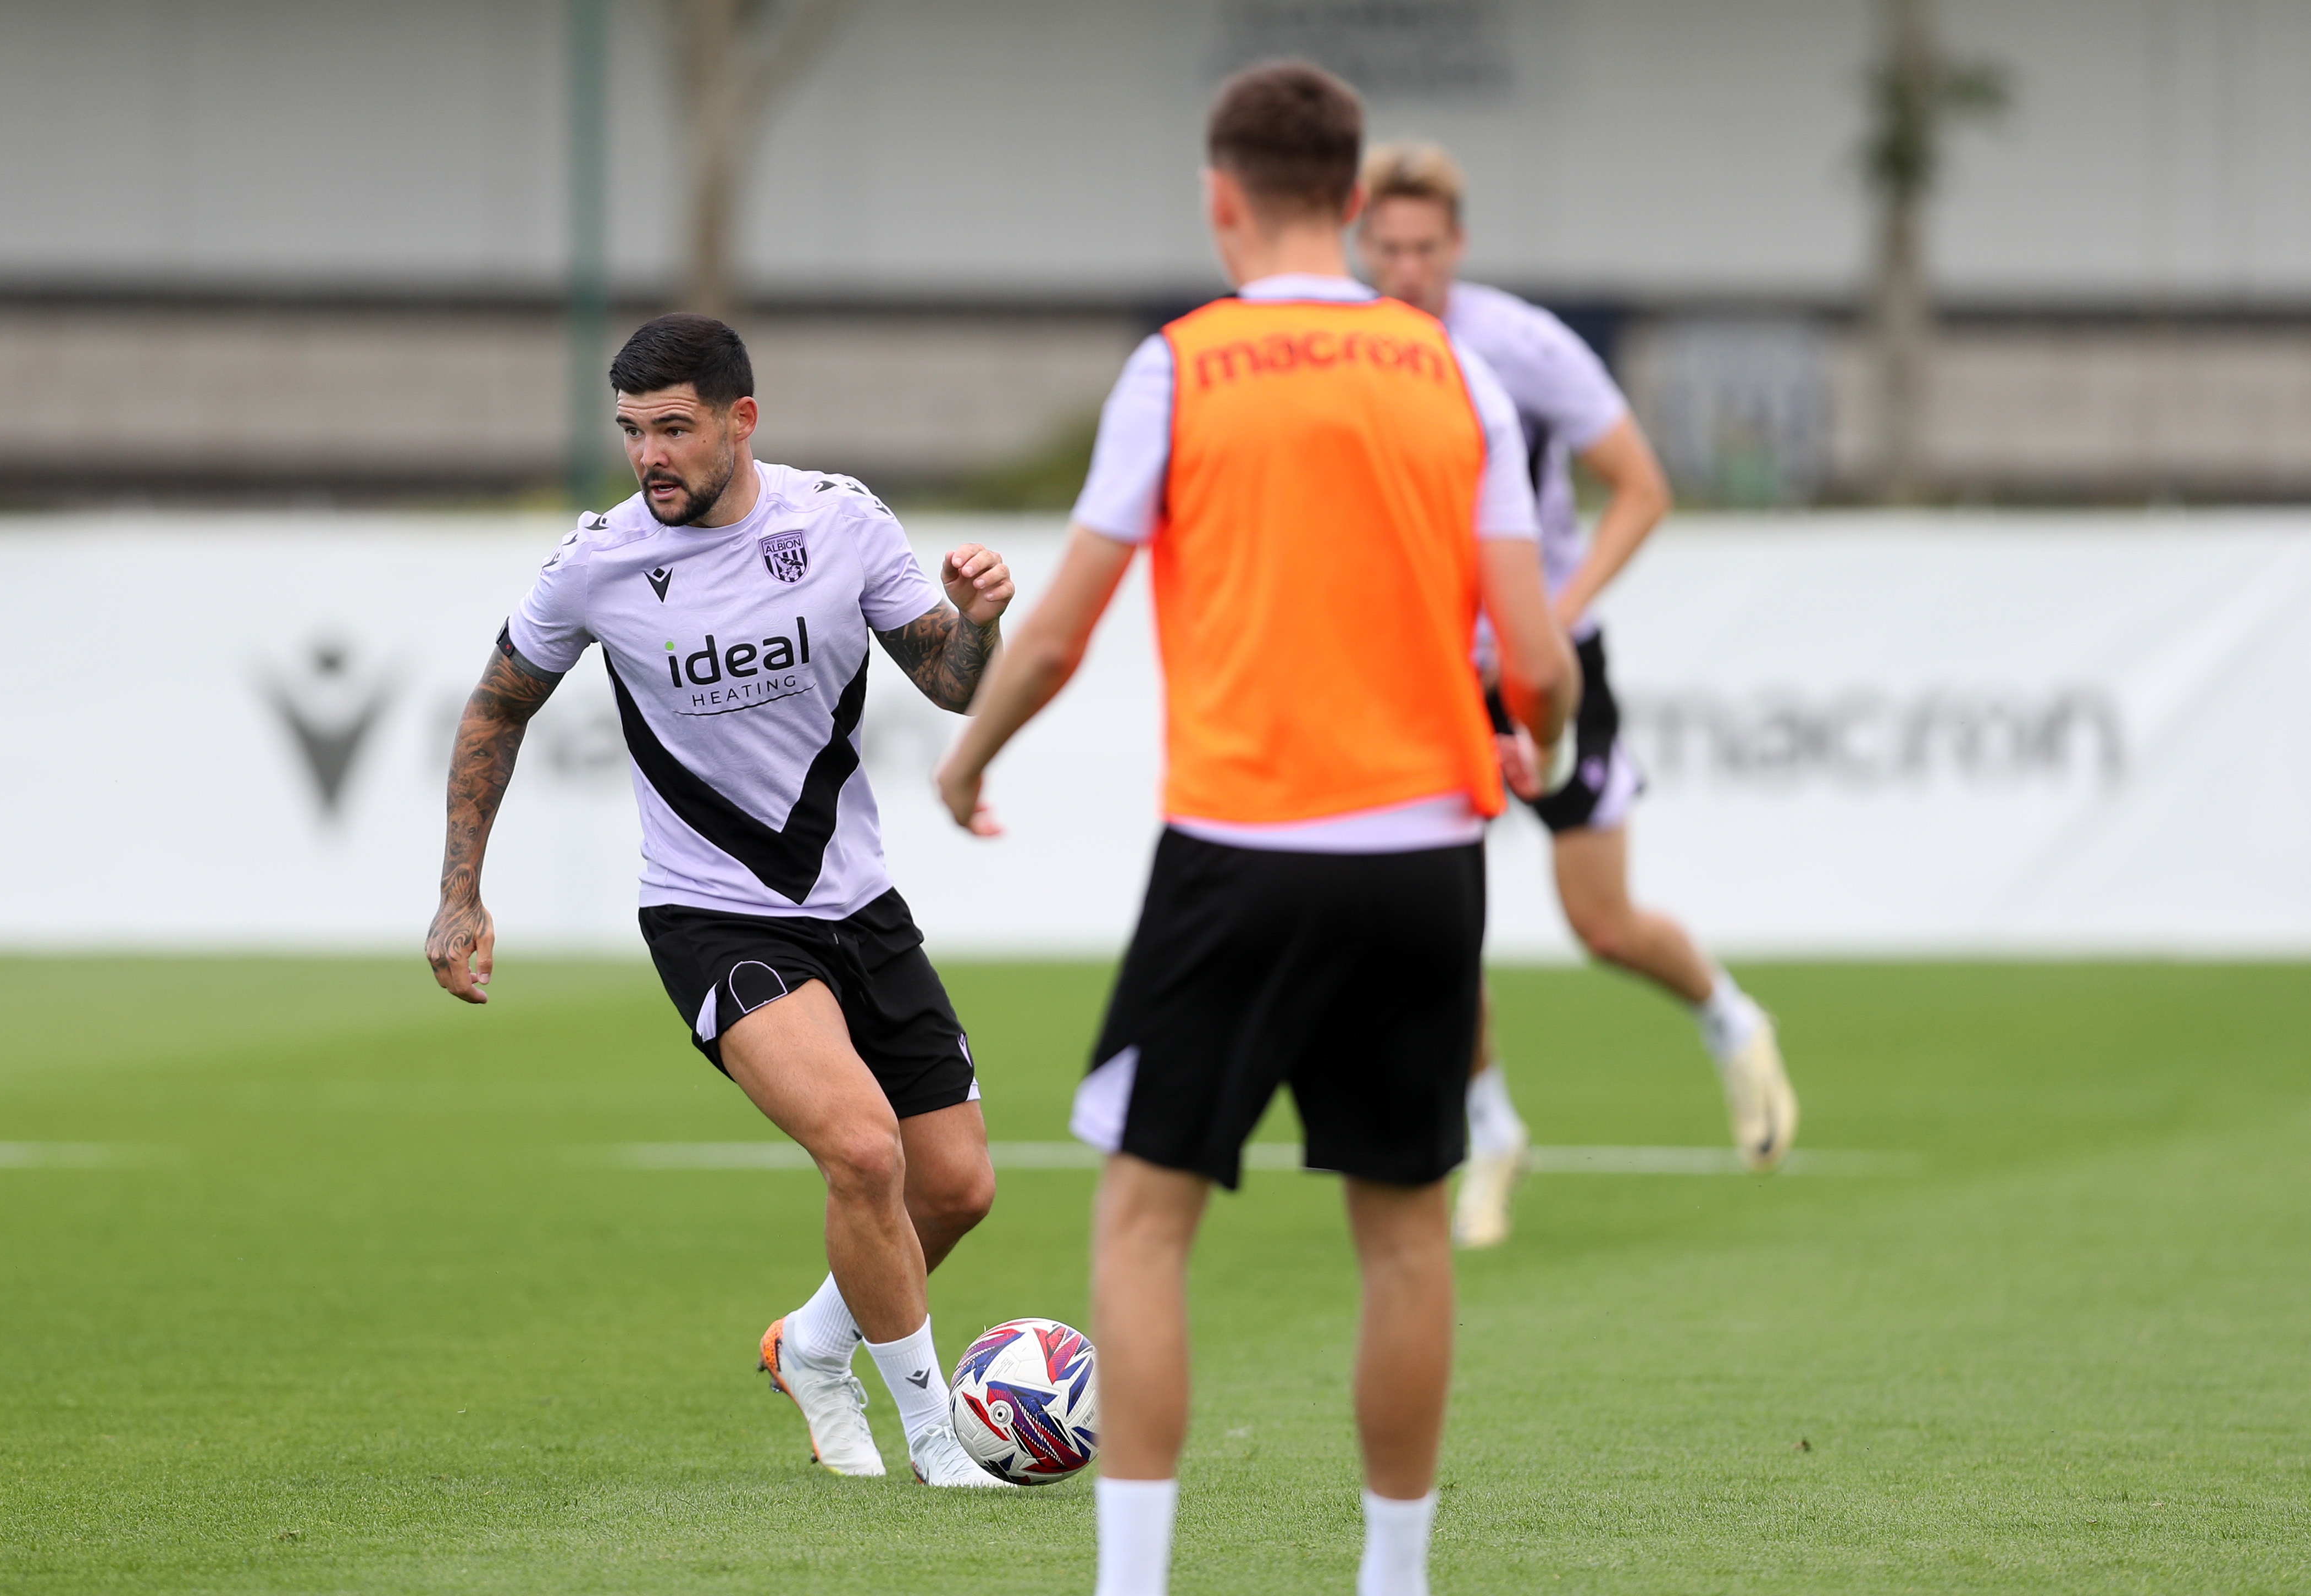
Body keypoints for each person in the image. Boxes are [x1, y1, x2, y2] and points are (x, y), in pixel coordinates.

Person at [935, 62, 1576, 1596]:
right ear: (1357, 203)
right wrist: (1534, 743)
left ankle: (1135, 1583)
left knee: (1145, 1230)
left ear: (1220, 199)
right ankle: (1394, 1578)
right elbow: (1537, 659)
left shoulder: (1181, 369)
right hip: (1426, 859)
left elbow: (1062, 627)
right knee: (1405, 1240)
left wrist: (969, 758)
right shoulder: (1453, 376)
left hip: (1244, 855)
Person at [424, 313, 1016, 1488]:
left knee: (957, 1187)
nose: (650, 456)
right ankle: (939, 1439)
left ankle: (811, 1345)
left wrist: (982, 623)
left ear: (742, 421)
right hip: (712, 914)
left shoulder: (840, 522)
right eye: (634, 431)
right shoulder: (596, 561)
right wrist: (459, 897)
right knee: (862, 1152)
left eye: (675, 430)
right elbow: (497, 706)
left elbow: (949, 684)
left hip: (859, 903)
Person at [1356, 141, 1800, 1248]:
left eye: (1425, 246)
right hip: (1423, 671)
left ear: (1456, 245)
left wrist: (1549, 616)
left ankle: (1732, 1020)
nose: (1406, 266)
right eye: (1387, 246)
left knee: (1601, 923)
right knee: (1430, 927)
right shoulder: (1347, 352)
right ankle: (1492, 1130)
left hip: (1549, 667)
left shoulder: (1524, 347)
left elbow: (1642, 489)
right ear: (1362, 242)